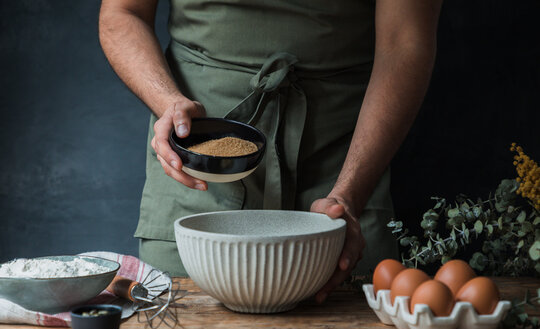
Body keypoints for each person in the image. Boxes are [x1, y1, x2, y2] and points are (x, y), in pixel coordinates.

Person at [99, 0, 442, 303]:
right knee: (182, 325)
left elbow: (404, 43)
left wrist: (349, 194)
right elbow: (122, 12)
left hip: (346, 161)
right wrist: (168, 102)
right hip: (198, 164)